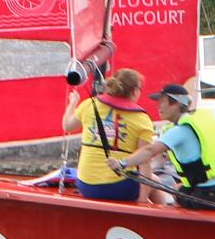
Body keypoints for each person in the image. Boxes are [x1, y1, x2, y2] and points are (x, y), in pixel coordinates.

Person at [65, 68, 164, 203]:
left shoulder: (90, 104)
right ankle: (158, 222)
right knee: (155, 181)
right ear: (135, 91)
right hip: (118, 186)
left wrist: (73, 103)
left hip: (86, 184)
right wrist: (142, 200)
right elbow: (144, 163)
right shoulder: (141, 118)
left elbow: (67, 126)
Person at [151, 83, 215, 209]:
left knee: (176, 190)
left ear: (176, 104)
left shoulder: (181, 130)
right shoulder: (200, 120)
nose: (158, 107)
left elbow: (149, 151)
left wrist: (123, 162)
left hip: (211, 196)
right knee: (180, 187)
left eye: (162, 102)